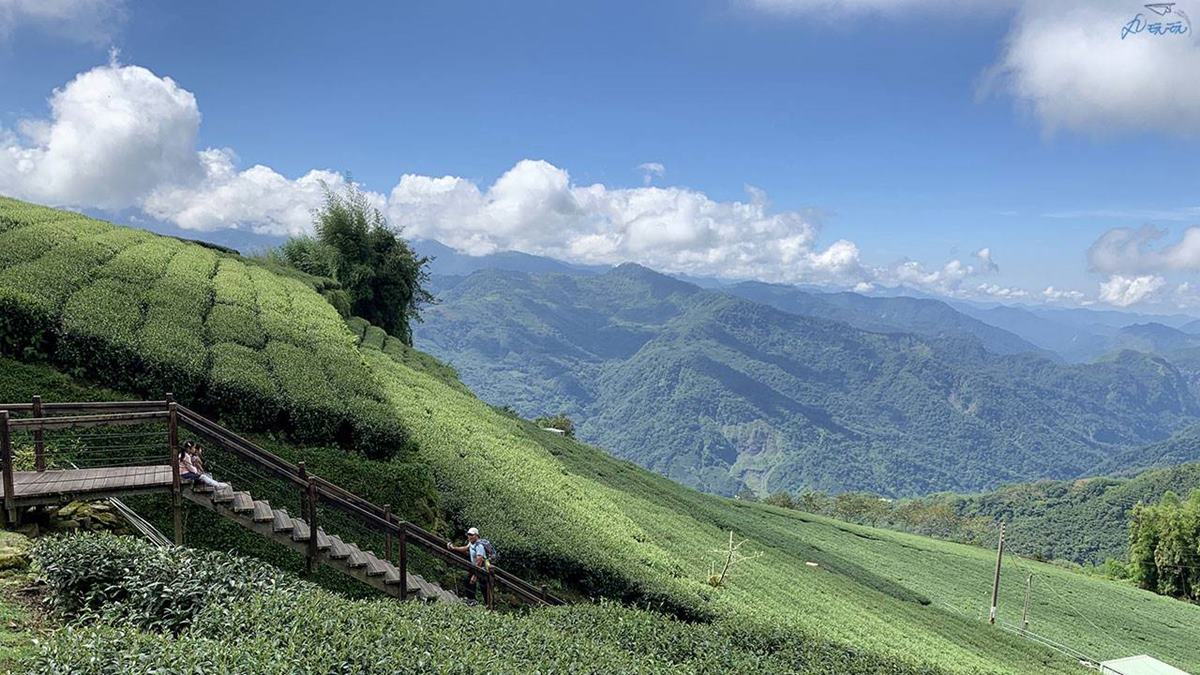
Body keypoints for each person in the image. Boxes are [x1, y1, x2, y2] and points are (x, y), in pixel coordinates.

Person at [446, 527, 490, 604]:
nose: (469, 536)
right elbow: (465, 548)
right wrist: (454, 548)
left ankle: (488, 605)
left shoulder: (479, 546)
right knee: (468, 581)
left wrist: (475, 575)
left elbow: (479, 561)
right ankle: (472, 600)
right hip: (475, 568)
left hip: (481, 570)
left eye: (471, 535)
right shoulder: (471, 543)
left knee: (484, 588)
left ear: (477, 536)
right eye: (469, 534)